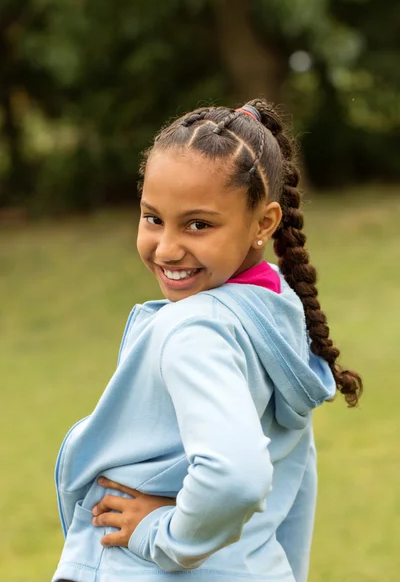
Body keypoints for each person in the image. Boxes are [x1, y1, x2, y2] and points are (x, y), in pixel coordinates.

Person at [52, 99, 362, 582]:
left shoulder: (196, 330)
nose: (168, 247)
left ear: (264, 223)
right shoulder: (275, 312)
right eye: (153, 218)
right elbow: (295, 485)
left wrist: (162, 533)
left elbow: (237, 476)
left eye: (198, 224)